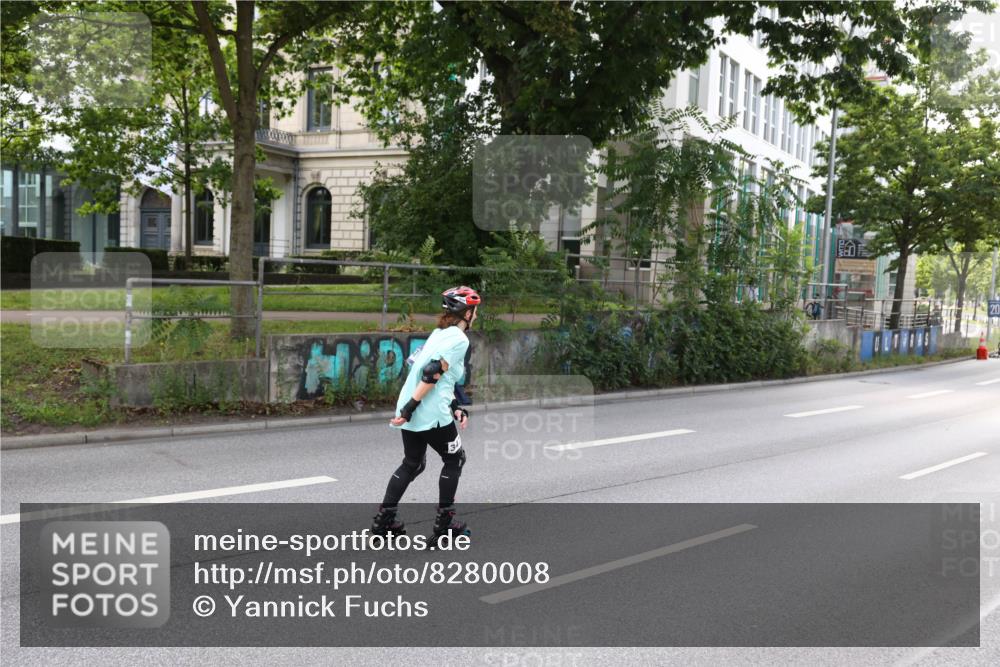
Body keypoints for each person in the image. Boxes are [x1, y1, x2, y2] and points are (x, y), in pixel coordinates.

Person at [371, 285, 481, 545]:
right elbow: (431, 374)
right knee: (455, 459)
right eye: (474, 311)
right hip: (428, 411)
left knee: (413, 463)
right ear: (466, 313)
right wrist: (412, 408)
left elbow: (437, 377)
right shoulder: (459, 339)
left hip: (414, 406)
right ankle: (445, 523)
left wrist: (454, 405)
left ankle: (384, 520)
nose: (476, 316)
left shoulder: (438, 333)